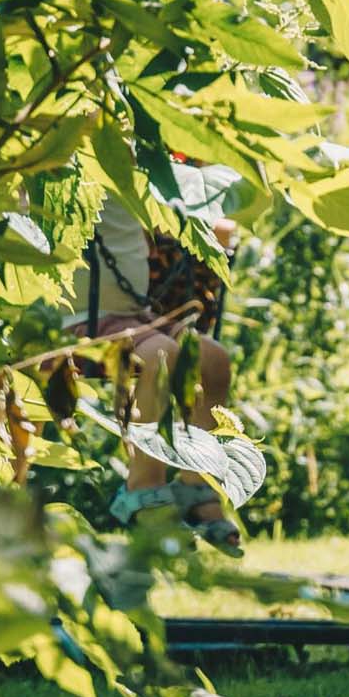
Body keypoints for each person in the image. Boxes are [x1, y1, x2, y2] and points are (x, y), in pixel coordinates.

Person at [80, 194, 244, 555]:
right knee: (160, 355)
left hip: (135, 316)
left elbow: (160, 214)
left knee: (213, 360)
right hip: (80, 321)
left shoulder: (128, 165)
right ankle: (143, 487)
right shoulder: (75, 165)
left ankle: (196, 483)